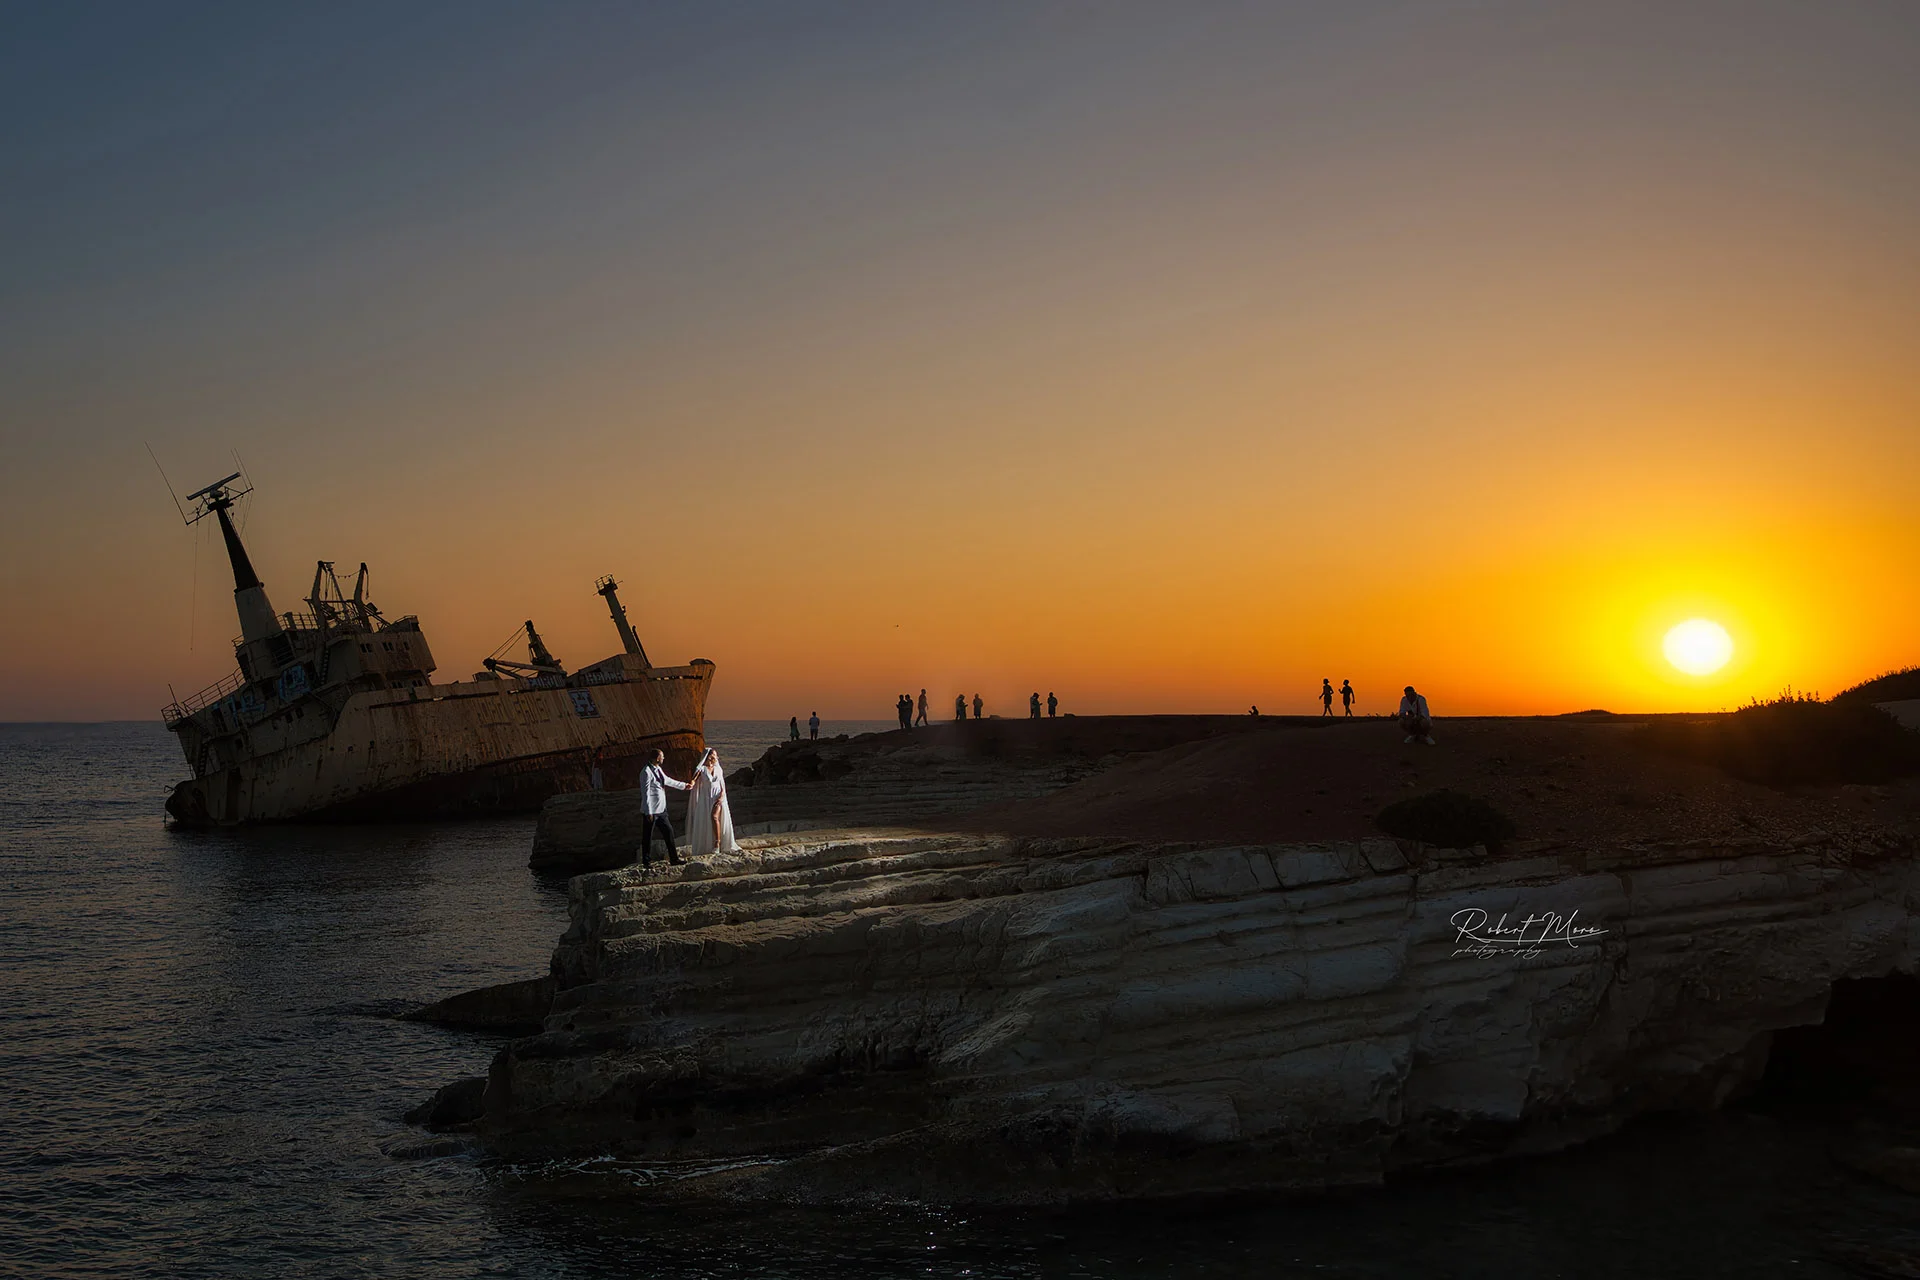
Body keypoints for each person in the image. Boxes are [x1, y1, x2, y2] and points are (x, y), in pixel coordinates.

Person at [636, 748, 692, 870]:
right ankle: (646, 861)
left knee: (669, 833)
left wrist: (684, 786)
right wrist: (648, 811)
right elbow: (645, 793)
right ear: (657, 758)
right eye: (662, 756)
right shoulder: (646, 772)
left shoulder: (658, 769)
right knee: (647, 836)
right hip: (651, 811)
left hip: (661, 810)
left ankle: (674, 858)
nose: (663, 758)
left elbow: (668, 781)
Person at [686, 748, 739, 858]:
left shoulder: (718, 769)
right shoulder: (702, 769)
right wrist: (689, 784)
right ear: (708, 756)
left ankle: (717, 843)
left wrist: (721, 797)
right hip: (706, 798)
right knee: (709, 819)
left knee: (714, 817)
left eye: (715, 755)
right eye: (713, 755)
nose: (715, 757)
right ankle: (711, 844)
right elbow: (694, 780)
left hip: (718, 797)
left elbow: (722, 785)